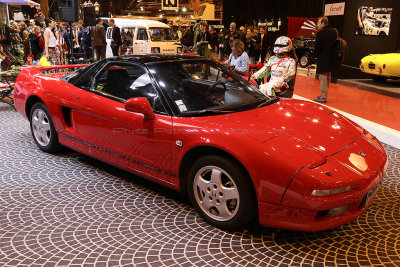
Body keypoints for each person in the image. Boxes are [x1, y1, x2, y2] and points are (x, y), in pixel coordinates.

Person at [313, 16, 338, 103]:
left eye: (318, 23)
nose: (317, 24)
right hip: (331, 59)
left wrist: (315, 55)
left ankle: (323, 97)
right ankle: (324, 95)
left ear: (323, 24)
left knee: (323, 78)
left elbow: (317, 47)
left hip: (323, 59)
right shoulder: (334, 32)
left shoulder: (321, 33)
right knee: (327, 78)